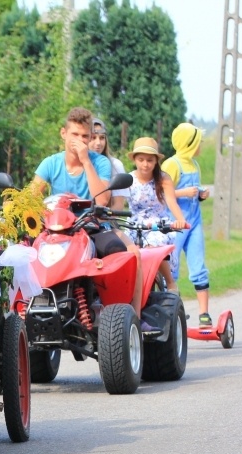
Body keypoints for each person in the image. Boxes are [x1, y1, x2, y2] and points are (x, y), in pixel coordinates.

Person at [31, 107, 153, 332]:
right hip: (58, 230)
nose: (80, 141)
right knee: (24, 252)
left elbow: (103, 198)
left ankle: (127, 318)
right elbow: (31, 195)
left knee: (128, 253)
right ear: (63, 134)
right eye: (75, 135)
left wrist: (86, 161)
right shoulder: (51, 163)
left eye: (85, 136)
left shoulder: (100, 163)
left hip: (93, 226)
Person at [161, 123, 213, 327]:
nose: (201, 144)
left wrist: (200, 195)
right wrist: (184, 193)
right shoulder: (171, 165)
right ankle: (170, 312)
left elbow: (194, 192)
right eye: (198, 141)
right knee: (171, 270)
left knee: (199, 266)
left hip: (195, 222)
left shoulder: (195, 164)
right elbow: (162, 193)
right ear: (188, 143)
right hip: (175, 224)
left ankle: (204, 314)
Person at [125, 137, 187, 293]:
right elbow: (117, 203)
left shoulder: (163, 179)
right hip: (134, 225)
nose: (145, 164)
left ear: (155, 162)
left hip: (157, 225)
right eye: (141, 159)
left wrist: (180, 219)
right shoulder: (128, 179)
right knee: (121, 250)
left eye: (149, 160)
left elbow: (171, 202)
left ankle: (170, 282)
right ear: (134, 159)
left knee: (153, 245)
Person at [89, 118, 129, 210]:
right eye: (93, 137)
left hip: (104, 221)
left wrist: (97, 222)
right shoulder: (78, 164)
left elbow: (118, 207)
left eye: (102, 138)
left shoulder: (115, 165)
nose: (98, 143)